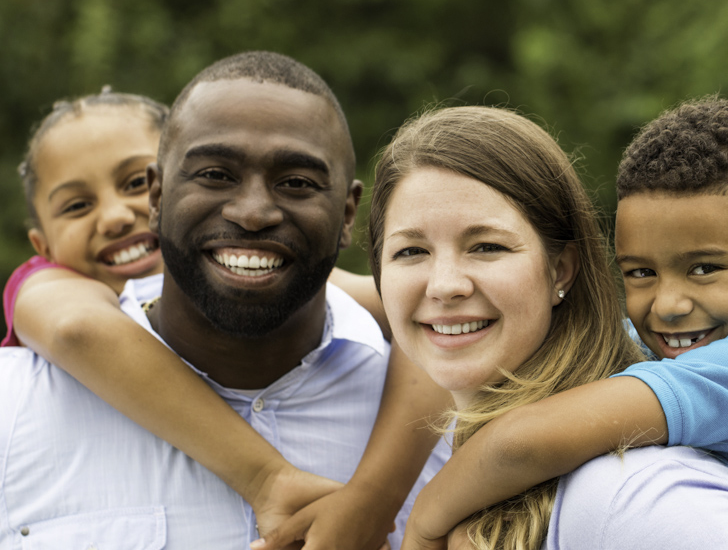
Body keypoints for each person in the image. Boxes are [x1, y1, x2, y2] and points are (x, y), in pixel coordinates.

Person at [400, 98, 728, 550]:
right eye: (641, 272)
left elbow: (521, 444)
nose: (667, 305)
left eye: (704, 268)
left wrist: (424, 527)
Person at [0, 52, 448, 549]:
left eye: (296, 182)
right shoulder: (17, 399)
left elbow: (433, 315)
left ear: (347, 215)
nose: (253, 213)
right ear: (159, 195)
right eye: (215, 174)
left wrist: (374, 499)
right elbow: (72, 327)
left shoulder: (463, 406)